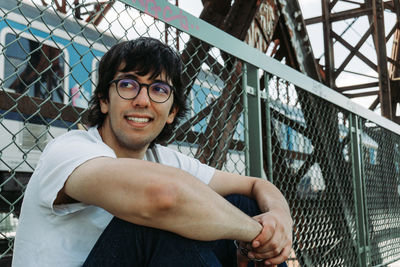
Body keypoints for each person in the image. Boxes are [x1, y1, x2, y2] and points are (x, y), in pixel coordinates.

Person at [12, 37, 293, 267]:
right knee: (155, 223)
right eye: (127, 85)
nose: (142, 100)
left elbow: (257, 184)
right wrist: (257, 234)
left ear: (172, 112)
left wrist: (280, 220)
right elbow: (164, 197)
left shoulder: (163, 158)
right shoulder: (69, 149)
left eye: (158, 89)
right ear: (104, 101)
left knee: (243, 202)